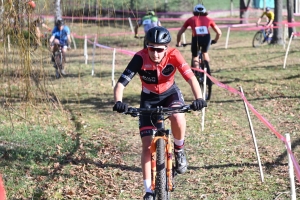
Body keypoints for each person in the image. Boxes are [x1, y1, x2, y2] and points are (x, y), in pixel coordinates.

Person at [113, 26, 207, 200]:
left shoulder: (174, 55)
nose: (155, 54)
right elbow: (120, 84)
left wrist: (199, 98)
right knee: (147, 146)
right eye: (151, 49)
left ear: (166, 48)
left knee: (178, 116)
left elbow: (191, 78)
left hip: (170, 94)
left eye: (159, 49)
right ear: (146, 46)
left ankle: (179, 149)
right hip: (148, 98)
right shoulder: (139, 58)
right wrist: (119, 102)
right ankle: (148, 190)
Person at [176, 4, 221, 78]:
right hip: (207, 38)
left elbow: (179, 34)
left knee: (195, 55)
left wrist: (178, 43)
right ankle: (207, 68)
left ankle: (197, 73)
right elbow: (219, 32)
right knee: (205, 52)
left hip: (196, 38)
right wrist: (215, 40)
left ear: (194, 11)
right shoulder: (209, 19)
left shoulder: (190, 19)